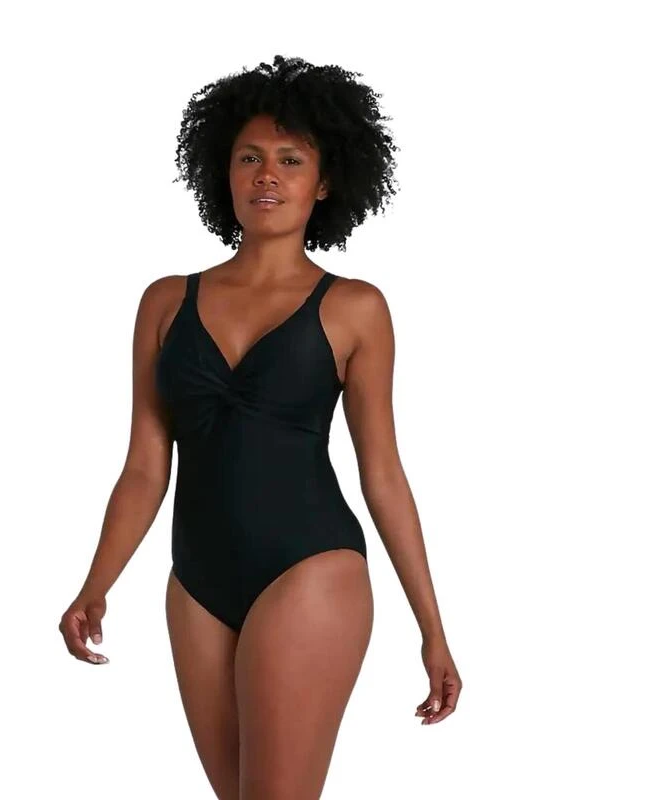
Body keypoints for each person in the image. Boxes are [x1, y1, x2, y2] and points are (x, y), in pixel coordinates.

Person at [59, 54, 462, 798]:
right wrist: (95, 584)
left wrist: (431, 628)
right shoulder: (165, 302)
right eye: (249, 158)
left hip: (310, 567)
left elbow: (382, 473)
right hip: (197, 584)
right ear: (225, 171)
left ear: (325, 181)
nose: (267, 175)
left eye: (290, 159)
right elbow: (145, 467)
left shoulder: (356, 308)